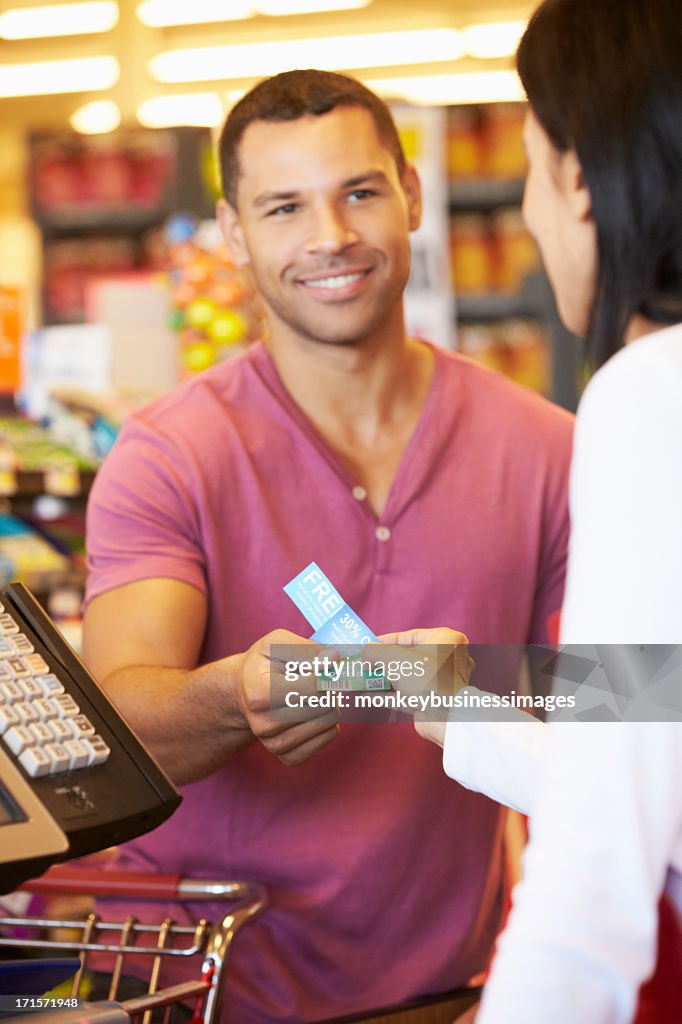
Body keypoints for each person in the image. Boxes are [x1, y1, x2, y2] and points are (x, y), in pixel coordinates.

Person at [81, 69, 573, 1023]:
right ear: (232, 232)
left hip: (448, 991)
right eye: (283, 206)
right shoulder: (171, 454)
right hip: (197, 986)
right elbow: (118, 725)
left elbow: (638, 691)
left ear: (411, 193)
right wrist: (236, 695)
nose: (330, 238)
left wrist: (481, 682)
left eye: (359, 191)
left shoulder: (545, 445)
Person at [397, 1, 682, 1021]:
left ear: (579, 174)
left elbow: (599, 863)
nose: (524, 211)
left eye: (527, 161)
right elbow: (658, 717)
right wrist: (469, 716)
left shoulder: (648, 393)